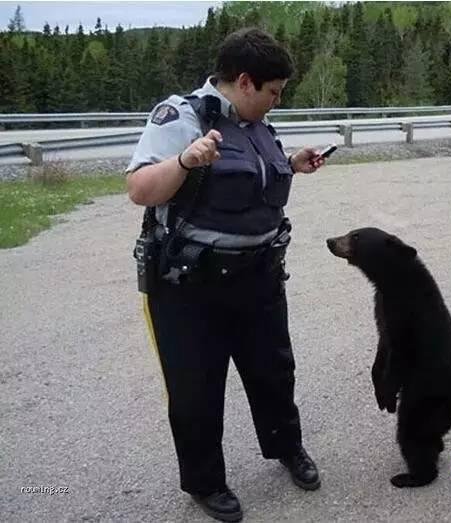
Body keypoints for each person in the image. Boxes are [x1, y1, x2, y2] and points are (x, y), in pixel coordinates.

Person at [126, 28, 324, 522]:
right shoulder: (182, 117)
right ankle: (205, 482)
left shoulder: (257, 124)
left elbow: (244, 183)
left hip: (258, 278)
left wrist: (292, 165)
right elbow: (139, 189)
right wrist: (183, 160)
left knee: (273, 372)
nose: (277, 102)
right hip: (190, 286)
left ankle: (286, 449)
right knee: (196, 387)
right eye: (273, 92)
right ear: (244, 81)